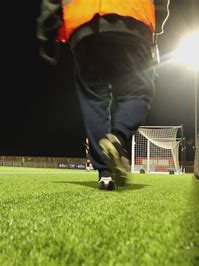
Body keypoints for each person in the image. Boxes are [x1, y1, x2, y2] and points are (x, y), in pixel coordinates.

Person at [37, 0, 156, 190]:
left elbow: (51, 3)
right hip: (132, 17)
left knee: (93, 99)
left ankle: (105, 173)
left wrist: (46, 33)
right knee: (137, 91)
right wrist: (156, 28)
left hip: (83, 24)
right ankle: (118, 138)